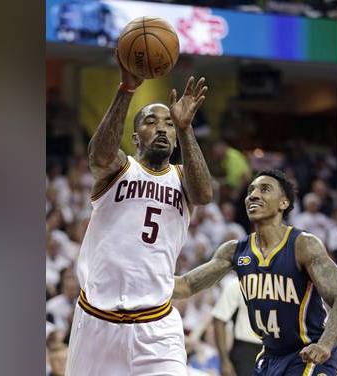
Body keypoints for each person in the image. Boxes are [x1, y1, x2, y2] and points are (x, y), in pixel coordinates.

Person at [65, 48, 213, 376]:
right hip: (96, 323)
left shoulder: (182, 179)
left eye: (168, 125)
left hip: (157, 326)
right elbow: (100, 156)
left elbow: (204, 194)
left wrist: (186, 129)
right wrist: (126, 90)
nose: (162, 129)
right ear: (135, 137)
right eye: (151, 122)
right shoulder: (120, 168)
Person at [173, 170, 337, 375]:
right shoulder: (234, 250)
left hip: (309, 353)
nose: (253, 195)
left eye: (265, 189)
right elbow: (186, 285)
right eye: (250, 190)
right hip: (270, 356)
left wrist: (324, 345)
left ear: (284, 203)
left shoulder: (303, 245)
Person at [212, 275, 262, 376]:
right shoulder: (238, 283)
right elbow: (219, 319)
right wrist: (224, 360)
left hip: (275, 350)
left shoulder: (284, 283)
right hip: (245, 350)